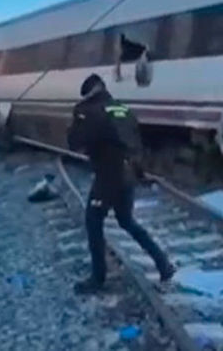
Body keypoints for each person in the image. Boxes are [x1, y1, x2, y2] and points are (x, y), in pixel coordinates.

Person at [67, 74, 175, 294]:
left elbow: (74, 142)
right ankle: (163, 265)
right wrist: (139, 173)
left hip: (109, 175)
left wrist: (78, 117)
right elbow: (136, 142)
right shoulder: (123, 109)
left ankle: (98, 278)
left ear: (89, 93)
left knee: (93, 220)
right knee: (126, 220)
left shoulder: (89, 111)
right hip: (128, 174)